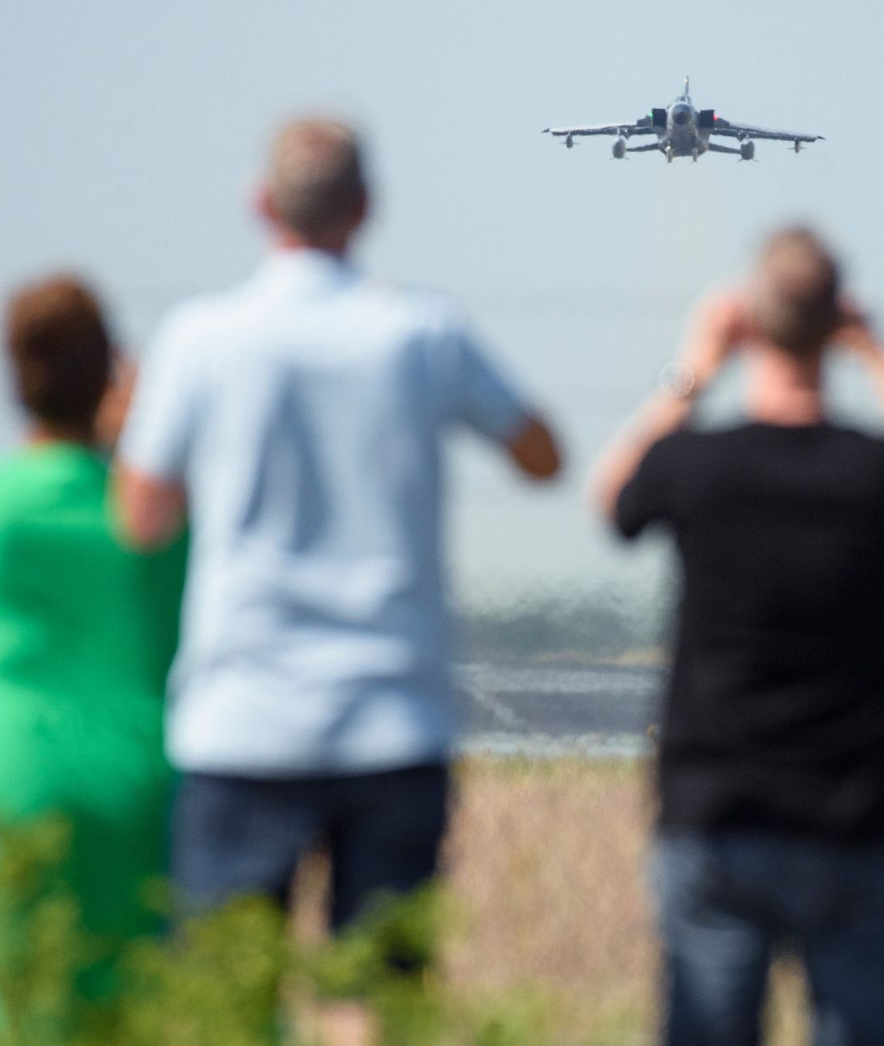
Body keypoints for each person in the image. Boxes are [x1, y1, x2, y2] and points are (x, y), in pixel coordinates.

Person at [114, 118, 560, 962]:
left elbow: (141, 518)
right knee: (381, 994)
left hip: (240, 720)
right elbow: (544, 456)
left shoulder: (199, 337)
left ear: (259, 203)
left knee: (225, 993)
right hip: (393, 721)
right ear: (366, 207)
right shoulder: (425, 331)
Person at [592, 226, 884, 1046]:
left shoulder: (696, 463)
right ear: (837, 321)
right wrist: (877, 351)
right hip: (854, 820)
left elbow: (612, 493)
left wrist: (694, 364)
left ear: (749, 321)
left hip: (717, 816)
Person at [0, 277, 186, 1012]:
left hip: (16, 776)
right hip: (141, 785)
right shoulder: (159, 521)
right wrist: (135, 435)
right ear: (111, 374)